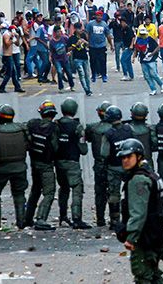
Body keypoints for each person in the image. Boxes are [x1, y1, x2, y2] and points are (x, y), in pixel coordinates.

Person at [116, 138, 163, 284]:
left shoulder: (138, 179)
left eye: (129, 156)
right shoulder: (150, 174)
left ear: (138, 156)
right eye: (123, 157)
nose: (125, 160)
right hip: (155, 233)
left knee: (142, 275)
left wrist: (131, 237)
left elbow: (138, 213)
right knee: (153, 274)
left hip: (144, 236)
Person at [0, 104, 30, 229]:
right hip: (19, 167)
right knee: (19, 194)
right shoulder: (22, 128)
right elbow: (29, 143)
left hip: (2, 167)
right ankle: (21, 221)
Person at [55, 98, 91, 229]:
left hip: (59, 162)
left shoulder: (56, 124)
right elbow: (84, 150)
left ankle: (63, 216)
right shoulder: (77, 126)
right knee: (77, 189)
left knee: (63, 189)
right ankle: (77, 218)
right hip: (72, 162)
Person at [24, 100, 59, 231]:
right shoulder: (54, 128)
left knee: (35, 190)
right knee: (49, 192)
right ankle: (41, 219)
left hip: (34, 162)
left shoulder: (32, 124)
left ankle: (27, 218)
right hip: (46, 164)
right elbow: (55, 147)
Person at [101, 106, 134, 229]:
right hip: (129, 167)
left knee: (114, 194)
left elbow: (104, 153)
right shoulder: (128, 129)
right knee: (131, 193)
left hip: (114, 168)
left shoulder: (108, 134)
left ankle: (115, 221)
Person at [85, 101, 113, 227]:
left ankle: (100, 219)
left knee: (99, 192)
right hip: (112, 165)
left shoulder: (92, 128)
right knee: (113, 192)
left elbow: (88, 138)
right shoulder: (115, 129)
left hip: (99, 165)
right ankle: (114, 219)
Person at [133, 27, 163, 95]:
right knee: (147, 76)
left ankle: (161, 84)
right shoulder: (138, 40)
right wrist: (133, 57)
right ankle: (153, 89)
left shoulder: (150, 39)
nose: (143, 35)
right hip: (143, 59)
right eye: (141, 34)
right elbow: (136, 49)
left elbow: (158, 47)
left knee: (153, 74)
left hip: (151, 59)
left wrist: (152, 54)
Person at [86, 11, 114, 83]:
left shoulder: (104, 24)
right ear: (95, 16)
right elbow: (87, 33)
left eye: (100, 16)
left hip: (102, 46)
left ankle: (104, 75)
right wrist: (87, 43)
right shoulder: (91, 24)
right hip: (93, 46)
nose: (99, 17)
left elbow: (108, 35)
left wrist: (111, 45)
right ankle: (94, 75)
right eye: (97, 15)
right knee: (93, 61)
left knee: (103, 61)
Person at [67, 22, 92, 96]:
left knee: (87, 74)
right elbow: (68, 49)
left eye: (81, 28)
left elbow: (89, 45)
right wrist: (76, 44)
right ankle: (86, 89)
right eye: (78, 29)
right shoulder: (72, 38)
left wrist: (85, 42)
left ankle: (89, 88)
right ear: (75, 29)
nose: (80, 30)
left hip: (85, 57)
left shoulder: (83, 36)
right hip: (77, 58)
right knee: (81, 74)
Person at [128, 103, 155, 170]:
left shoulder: (127, 129)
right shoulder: (150, 129)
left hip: (133, 162)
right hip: (147, 161)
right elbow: (155, 145)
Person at [49, 26, 74, 93]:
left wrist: (69, 52)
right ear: (55, 33)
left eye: (60, 32)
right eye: (58, 32)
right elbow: (51, 51)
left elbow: (69, 46)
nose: (59, 33)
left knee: (69, 72)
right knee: (59, 72)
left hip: (65, 58)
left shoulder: (64, 38)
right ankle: (61, 87)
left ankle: (72, 85)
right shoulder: (52, 42)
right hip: (57, 59)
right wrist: (50, 57)